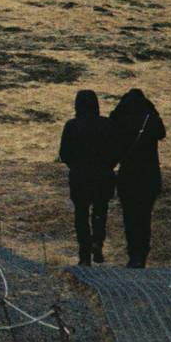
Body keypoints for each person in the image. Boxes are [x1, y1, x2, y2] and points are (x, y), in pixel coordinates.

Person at [109, 87, 167, 267]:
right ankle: (142, 254)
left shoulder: (121, 120)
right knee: (144, 217)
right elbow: (162, 133)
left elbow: (111, 132)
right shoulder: (152, 120)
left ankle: (133, 254)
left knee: (130, 217)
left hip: (128, 176)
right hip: (149, 176)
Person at [58, 90, 116, 264]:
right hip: (103, 176)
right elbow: (116, 150)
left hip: (80, 177)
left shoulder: (71, 125)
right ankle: (98, 241)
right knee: (100, 211)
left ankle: (84, 255)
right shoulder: (107, 124)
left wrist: (75, 166)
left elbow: (64, 153)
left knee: (81, 214)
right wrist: (108, 166)